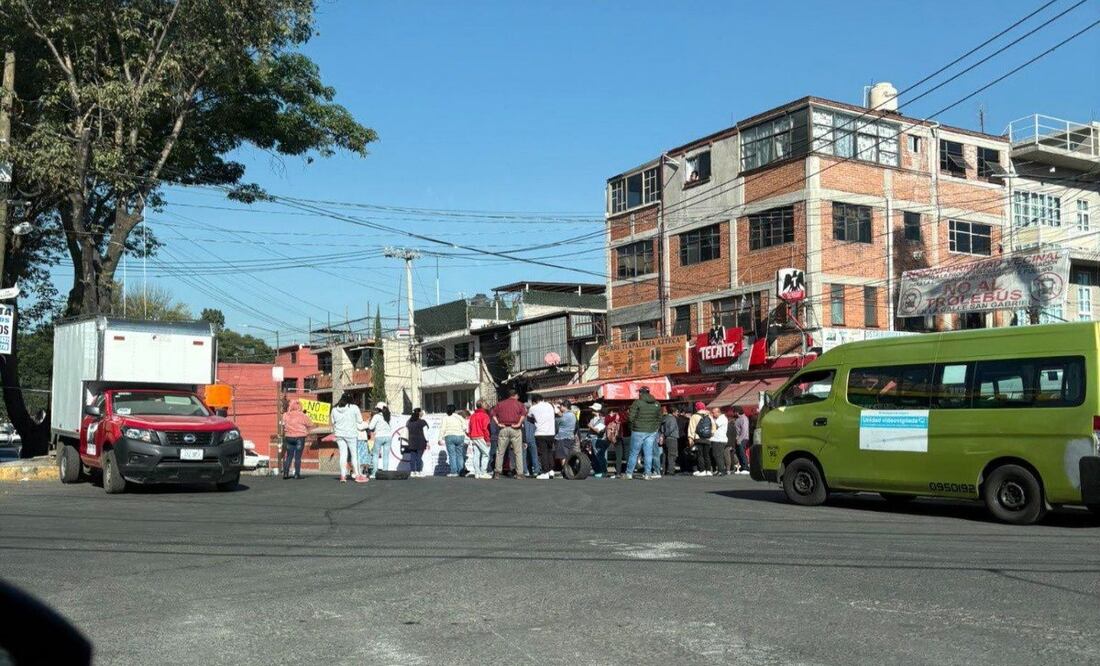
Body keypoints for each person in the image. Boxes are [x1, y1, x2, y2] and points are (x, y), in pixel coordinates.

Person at [626, 386, 662, 480]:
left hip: (638, 430)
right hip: (651, 431)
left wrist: (633, 426)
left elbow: (630, 418)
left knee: (634, 452)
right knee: (648, 453)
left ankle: (629, 473)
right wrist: (655, 427)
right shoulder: (657, 404)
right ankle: (647, 474)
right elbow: (659, 418)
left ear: (641, 393)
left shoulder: (637, 403)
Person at [490, 389, 527, 479]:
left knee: (500, 452)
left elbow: (493, 414)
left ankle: (497, 472)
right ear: (515, 395)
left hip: (503, 428)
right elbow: (523, 414)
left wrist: (498, 423)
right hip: (515, 428)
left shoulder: (500, 404)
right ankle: (519, 473)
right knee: (518, 452)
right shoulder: (520, 404)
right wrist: (519, 423)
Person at [330, 395, 367, 483]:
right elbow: (360, 421)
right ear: (350, 400)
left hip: (339, 434)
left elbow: (332, 422)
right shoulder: (354, 408)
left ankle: (343, 476)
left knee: (343, 455)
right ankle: (357, 475)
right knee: (354, 455)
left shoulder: (334, 409)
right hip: (351, 434)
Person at [281, 399, 312, 480]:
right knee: (297, 457)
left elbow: (283, 425)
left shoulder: (285, 415)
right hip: (300, 438)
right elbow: (310, 424)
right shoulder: (303, 415)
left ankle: (286, 473)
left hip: (289, 437)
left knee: (289, 456)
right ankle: (296, 474)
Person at [529, 394, 557, 479]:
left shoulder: (533, 408)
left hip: (540, 433)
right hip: (551, 432)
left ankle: (545, 472)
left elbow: (529, 417)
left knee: (543, 453)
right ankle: (551, 470)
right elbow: (558, 413)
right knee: (549, 451)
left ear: (534, 401)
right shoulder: (550, 405)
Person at [438, 404, 467, 477]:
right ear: (455, 410)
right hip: (460, 436)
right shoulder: (459, 417)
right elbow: (465, 427)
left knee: (452, 455)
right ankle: (461, 471)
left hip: (450, 436)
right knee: (460, 454)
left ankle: (454, 472)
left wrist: (440, 438)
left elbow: (443, 429)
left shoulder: (445, 418)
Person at [688, 402, 715, 477]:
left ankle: (702, 470)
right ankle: (709, 470)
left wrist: (690, 438)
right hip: (707, 438)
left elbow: (691, 428)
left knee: (700, 455)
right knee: (707, 455)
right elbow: (713, 427)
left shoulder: (694, 416)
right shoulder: (709, 415)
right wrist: (711, 434)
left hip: (698, 438)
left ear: (697, 408)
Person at [467, 400, 492, 479]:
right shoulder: (485, 416)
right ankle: (483, 472)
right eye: (485, 404)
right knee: (486, 454)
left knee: (476, 455)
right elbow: (485, 428)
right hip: (481, 436)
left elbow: (470, 427)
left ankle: (477, 473)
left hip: (474, 436)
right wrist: (487, 439)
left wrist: (470, 435)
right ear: (483, 406)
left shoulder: (473, 416)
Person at [367, 402, 392, 479]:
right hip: (388, 436)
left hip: (379, 436)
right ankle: (385, 473)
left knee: (375, 455)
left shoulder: (376, 416)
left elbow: (371, 427)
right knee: (386, 456)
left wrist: (368, 422)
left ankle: (374, 473)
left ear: (378, 409)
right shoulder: (388, 416)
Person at [553, 400, 577, 472]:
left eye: (561, 406)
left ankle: (565, 471)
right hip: (571, 437)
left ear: (564, 407)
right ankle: (570, 470)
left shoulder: (564, 416)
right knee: (568, 455)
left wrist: (556, 411)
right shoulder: (573, 415)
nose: (560, 408)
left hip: (561, 437)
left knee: (562, 456)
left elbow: (556, 421)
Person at [405, 408, 429, 477]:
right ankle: (419, 471)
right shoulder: (422, 422)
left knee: (412, 456)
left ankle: (412, 471)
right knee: (419, 457)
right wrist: (427, 441)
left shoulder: (409, 422)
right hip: (421, 441)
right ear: (419, 414)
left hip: (411, 441)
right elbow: (425, 433)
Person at [587, 403, 609, 477]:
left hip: (599, 440)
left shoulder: (602, 419)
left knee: (599, 456)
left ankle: (604, 471)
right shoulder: (592, 419)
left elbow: (599, 431)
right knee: (594, 456)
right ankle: (598, 471)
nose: (591, 410)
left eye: (592, 409)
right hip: (592, 439)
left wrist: (591, 426)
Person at [658, 405, 680, 477]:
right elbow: (671, 428)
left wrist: (663, 435)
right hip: (672, 438)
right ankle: (670, 470)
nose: (677, 413)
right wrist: (667, 434)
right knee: (672, 454)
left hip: (666, 438)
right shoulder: (672, 419)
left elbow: (661, 428)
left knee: (665, 454)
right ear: (673, 412)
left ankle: (663, 469)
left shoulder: (665, 418)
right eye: (677, 412)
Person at [709, 407, 731, 476]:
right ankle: (720, 470)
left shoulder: (721, 418)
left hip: (719, 440)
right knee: (718, 455)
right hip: (719, 439)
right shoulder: (721, 418)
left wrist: (710, 418)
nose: (712, 414)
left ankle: (721, 470)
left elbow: (715, 426)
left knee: (717, 455)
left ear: (718, 412)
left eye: (713, 412)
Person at [523, 401, 540, 477]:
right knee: (534, 455)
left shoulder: (522, 417)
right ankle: (536, 470)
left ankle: (525, 471)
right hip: (532, 437)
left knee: (524, 456)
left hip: (524, 438)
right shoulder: (534, 418)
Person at [604, 408, 623, 477]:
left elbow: (606, 423)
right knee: (619, 455)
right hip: (618, 436)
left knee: (605, 452)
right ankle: (618, 472)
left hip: (611, 436)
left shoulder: (608, 417)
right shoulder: (620, 416)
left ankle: (605, 470)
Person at [732, 406, 751, 475]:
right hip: (738, 439)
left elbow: (744, 430)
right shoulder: (738, 419)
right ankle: (743, 467)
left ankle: (745, 467)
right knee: (739, 453)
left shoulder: (744, 419)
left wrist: (740, 439)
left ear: (737, 412)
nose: (733, 413)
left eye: (734, 412)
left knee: (742, 452)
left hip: (743, 439)